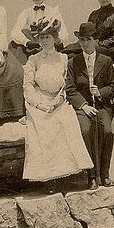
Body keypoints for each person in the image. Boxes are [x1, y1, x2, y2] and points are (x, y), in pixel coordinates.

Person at [21, 18, 93, 190]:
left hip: (59, 100)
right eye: (41, 38)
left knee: (67, 124)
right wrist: (40, 104)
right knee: (43, 130)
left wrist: (58, 100)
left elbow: (67, 83)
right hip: (39, 102)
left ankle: (67, 176)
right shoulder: (33, 60)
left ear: (55, 38)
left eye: (47, 37)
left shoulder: (63, 58)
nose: (44, 41)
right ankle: (49, 178)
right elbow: (28, 85)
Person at [66, 22, 114, 190]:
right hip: (84, 108)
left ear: (95, 40)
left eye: (88, 39)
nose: (85, 43)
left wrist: (100, 93)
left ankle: (105, 174)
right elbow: (70, 89)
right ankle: (91, 176)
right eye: (82, 40)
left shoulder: (106, 61)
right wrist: (83, 105)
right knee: (85, 131)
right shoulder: (73, 63)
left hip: (102, 106)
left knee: (107, 131)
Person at [9, 0, 69, 64]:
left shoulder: (53, 11)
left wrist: (57, 40)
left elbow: (63, 32)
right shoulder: (26, 12)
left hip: (49, 44)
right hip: (32, 47)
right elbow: (15, 32)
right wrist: (27, 42)